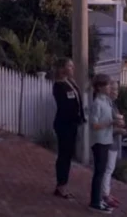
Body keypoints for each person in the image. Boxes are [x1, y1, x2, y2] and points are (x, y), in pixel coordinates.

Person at [51, 58, 85, 199]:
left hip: (72, 124)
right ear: (62, 69)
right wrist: (75, 117)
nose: (72, 68)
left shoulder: (71, 83)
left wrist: (81, 117)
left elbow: (77, 103)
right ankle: (61, 186)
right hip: (64, 124)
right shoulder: (59, 86)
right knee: (64, 155)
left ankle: (63, 185)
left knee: (68, 155)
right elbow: (65, 106)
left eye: (72, 66)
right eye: (69, 66)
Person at [88, 74, 117, 214]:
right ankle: (94, 201)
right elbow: (94, 125)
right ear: (99, 87)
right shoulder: (97, 103)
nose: (110, 87)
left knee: (102, 171)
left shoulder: (107, 101)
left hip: (106, 140)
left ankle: (98, 199)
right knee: (99, 172)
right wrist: (111, 123)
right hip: (99, 141)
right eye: (107, 85)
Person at [101, 81, 127, 208]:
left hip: (114, 142)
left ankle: (107, 193)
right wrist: (119, 130)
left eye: (117, 90)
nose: (116, 92)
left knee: (109, 170)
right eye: (113, 90)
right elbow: (104, 128)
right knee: (107, 170)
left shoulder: (113, 105)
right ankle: (104, 195)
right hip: (108, 142)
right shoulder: (106, 105)